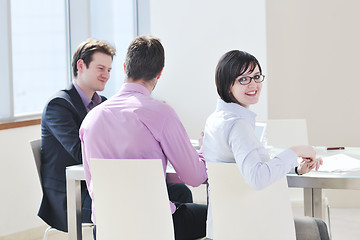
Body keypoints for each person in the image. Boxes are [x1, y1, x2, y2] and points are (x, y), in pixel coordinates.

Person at [80, 35, 208, 240]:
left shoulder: (91, 119)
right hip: (155, 226)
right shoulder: (161, 113)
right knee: (213, 218)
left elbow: (91, 181)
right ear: (160, 72)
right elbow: (195, 177)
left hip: (106, 228)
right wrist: (204, 152)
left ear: (124, 67)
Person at [202, 50, 329, 240]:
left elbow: (246, 169)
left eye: (256, 76)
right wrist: (295, 151)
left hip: (224, 226)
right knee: (317, 227)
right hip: (255, 225)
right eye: (243, 79)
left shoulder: (215, 119)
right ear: (228, 85)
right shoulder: (238, 125)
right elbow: (258, 178)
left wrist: (296, 167)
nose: (253, 84)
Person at [39, 39, 116, 231]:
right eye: (101, 68)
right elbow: (79, 151)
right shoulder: (58, 105)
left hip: (99, 184)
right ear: (81, 65)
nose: (106, 75)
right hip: (71, 195)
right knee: (127, 203)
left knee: (166, 194)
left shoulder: (102, 104)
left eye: (109, 70)